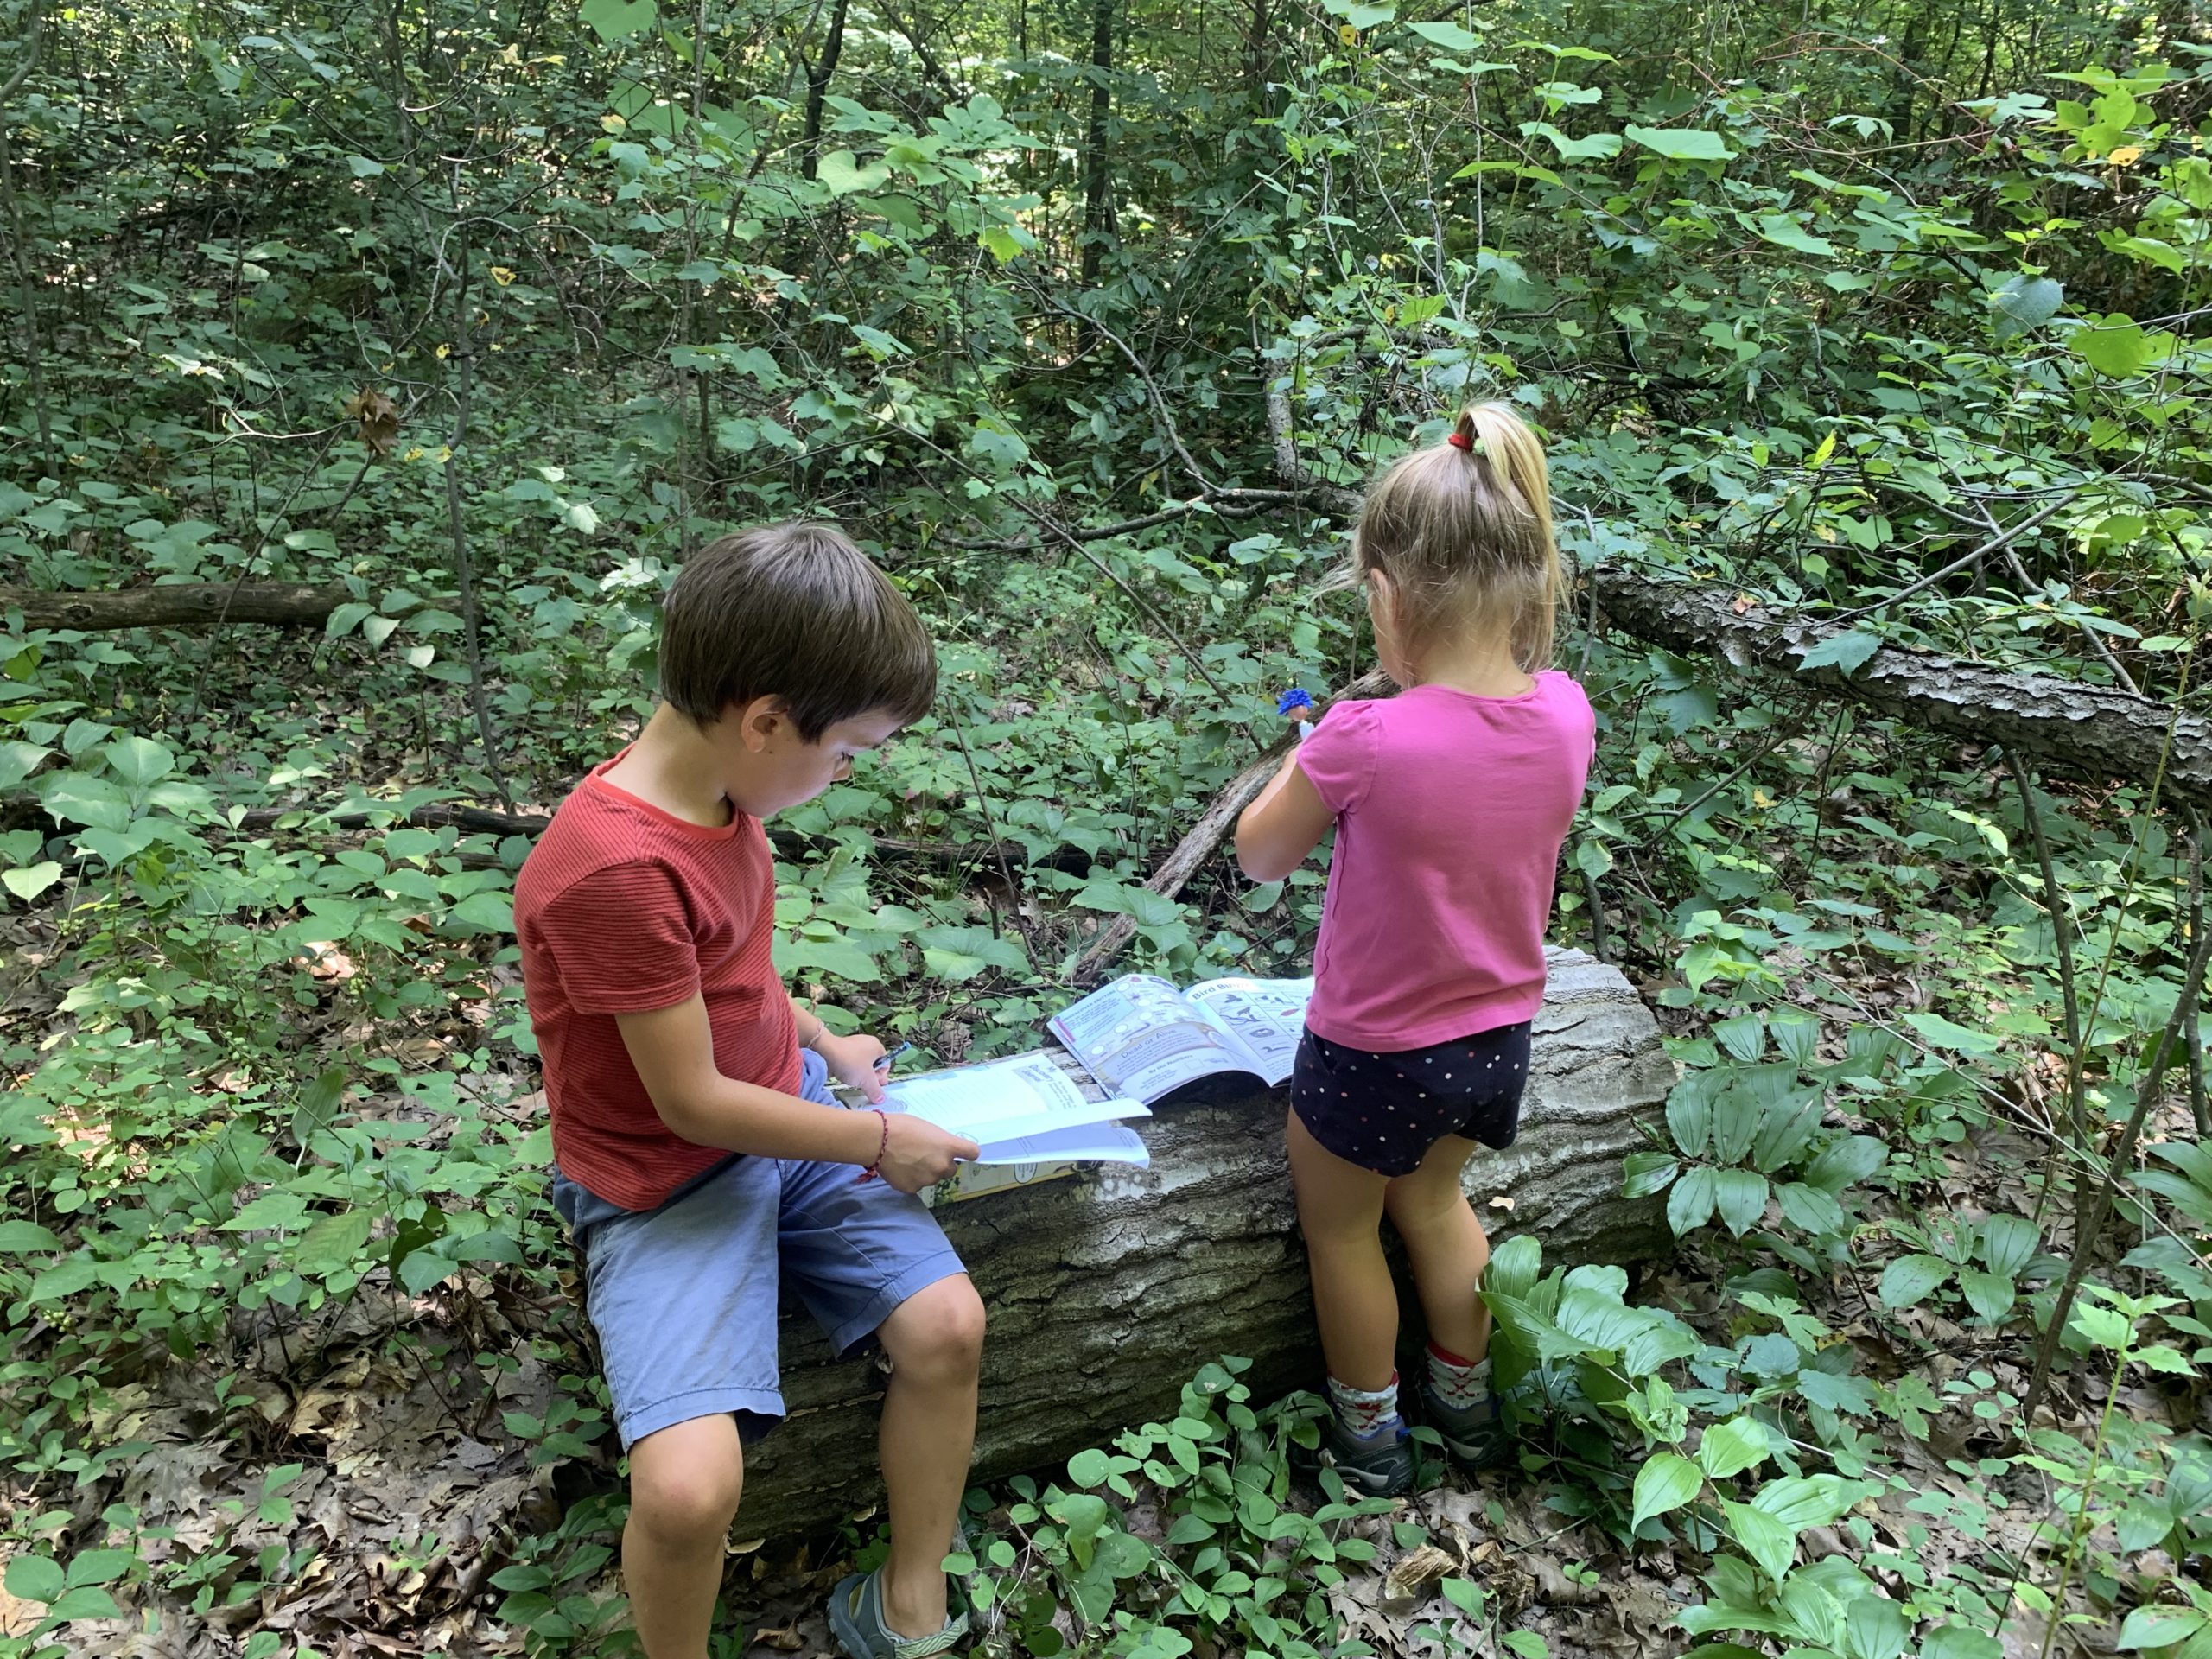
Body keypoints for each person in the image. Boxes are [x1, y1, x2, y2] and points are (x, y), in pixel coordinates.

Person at [514, 524, 986, 1659]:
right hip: (663, 1179)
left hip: (783, 1113)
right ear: (766, 720)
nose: (847, 774)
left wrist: (821, 1040)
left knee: (949, 1327)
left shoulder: (725, 800)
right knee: (687, 1493)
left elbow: (734, 976)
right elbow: (689, 1104)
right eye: (849, 751)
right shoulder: (616, 868)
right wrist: (874, 1138)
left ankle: (909, 1592)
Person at [1234, 404, 1594, 1497]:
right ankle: (1468, 1410)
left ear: (1386, 596)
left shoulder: (1364, 737)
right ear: (1528, 580)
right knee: (1435, 1206)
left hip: (1370, 1047)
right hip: (1496, 1036)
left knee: (1342, 1232)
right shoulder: (1566, 712)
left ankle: (1371, 1439)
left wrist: (1311, 755)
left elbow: (1260, 855)